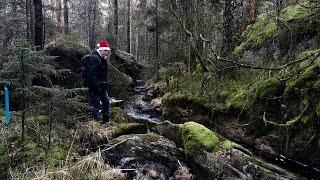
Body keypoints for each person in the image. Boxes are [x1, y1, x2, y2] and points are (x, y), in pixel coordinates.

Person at [85, 41, 111, 124]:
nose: (106, 53)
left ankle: (106, 122)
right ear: (100, 50)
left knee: (106, 102)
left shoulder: (103, 59)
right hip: (94, 86)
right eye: (105, 51)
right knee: (96, 105)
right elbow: (91, 74)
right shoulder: (95, 58)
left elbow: (103, 73)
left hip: (102, 86)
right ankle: (95, 125)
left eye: (107, 51)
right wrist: (97, 86)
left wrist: (104, 84)